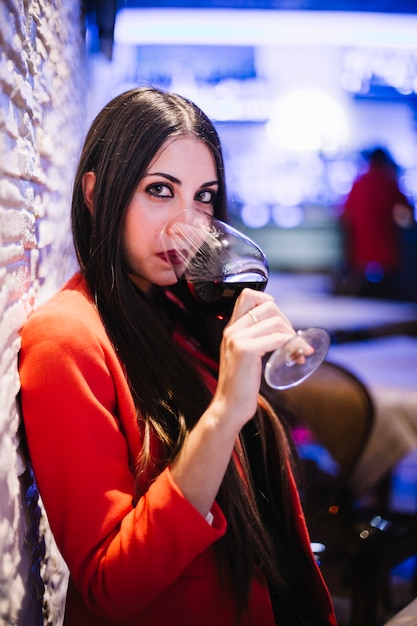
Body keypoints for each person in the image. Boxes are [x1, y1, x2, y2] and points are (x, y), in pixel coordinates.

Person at [19, 87, 337, 626]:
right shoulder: (66, 339)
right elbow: (109, 586)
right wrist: (224, 412)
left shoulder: (179, 305)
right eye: (160, 190)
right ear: (97, 196)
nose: (185, 225)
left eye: (204, 196)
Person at [339, 147, 414, 298]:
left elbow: (344, 214)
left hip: (361, 250)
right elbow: (408, 212)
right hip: (387, 249)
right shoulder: (390, 181)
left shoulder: (358, 183)